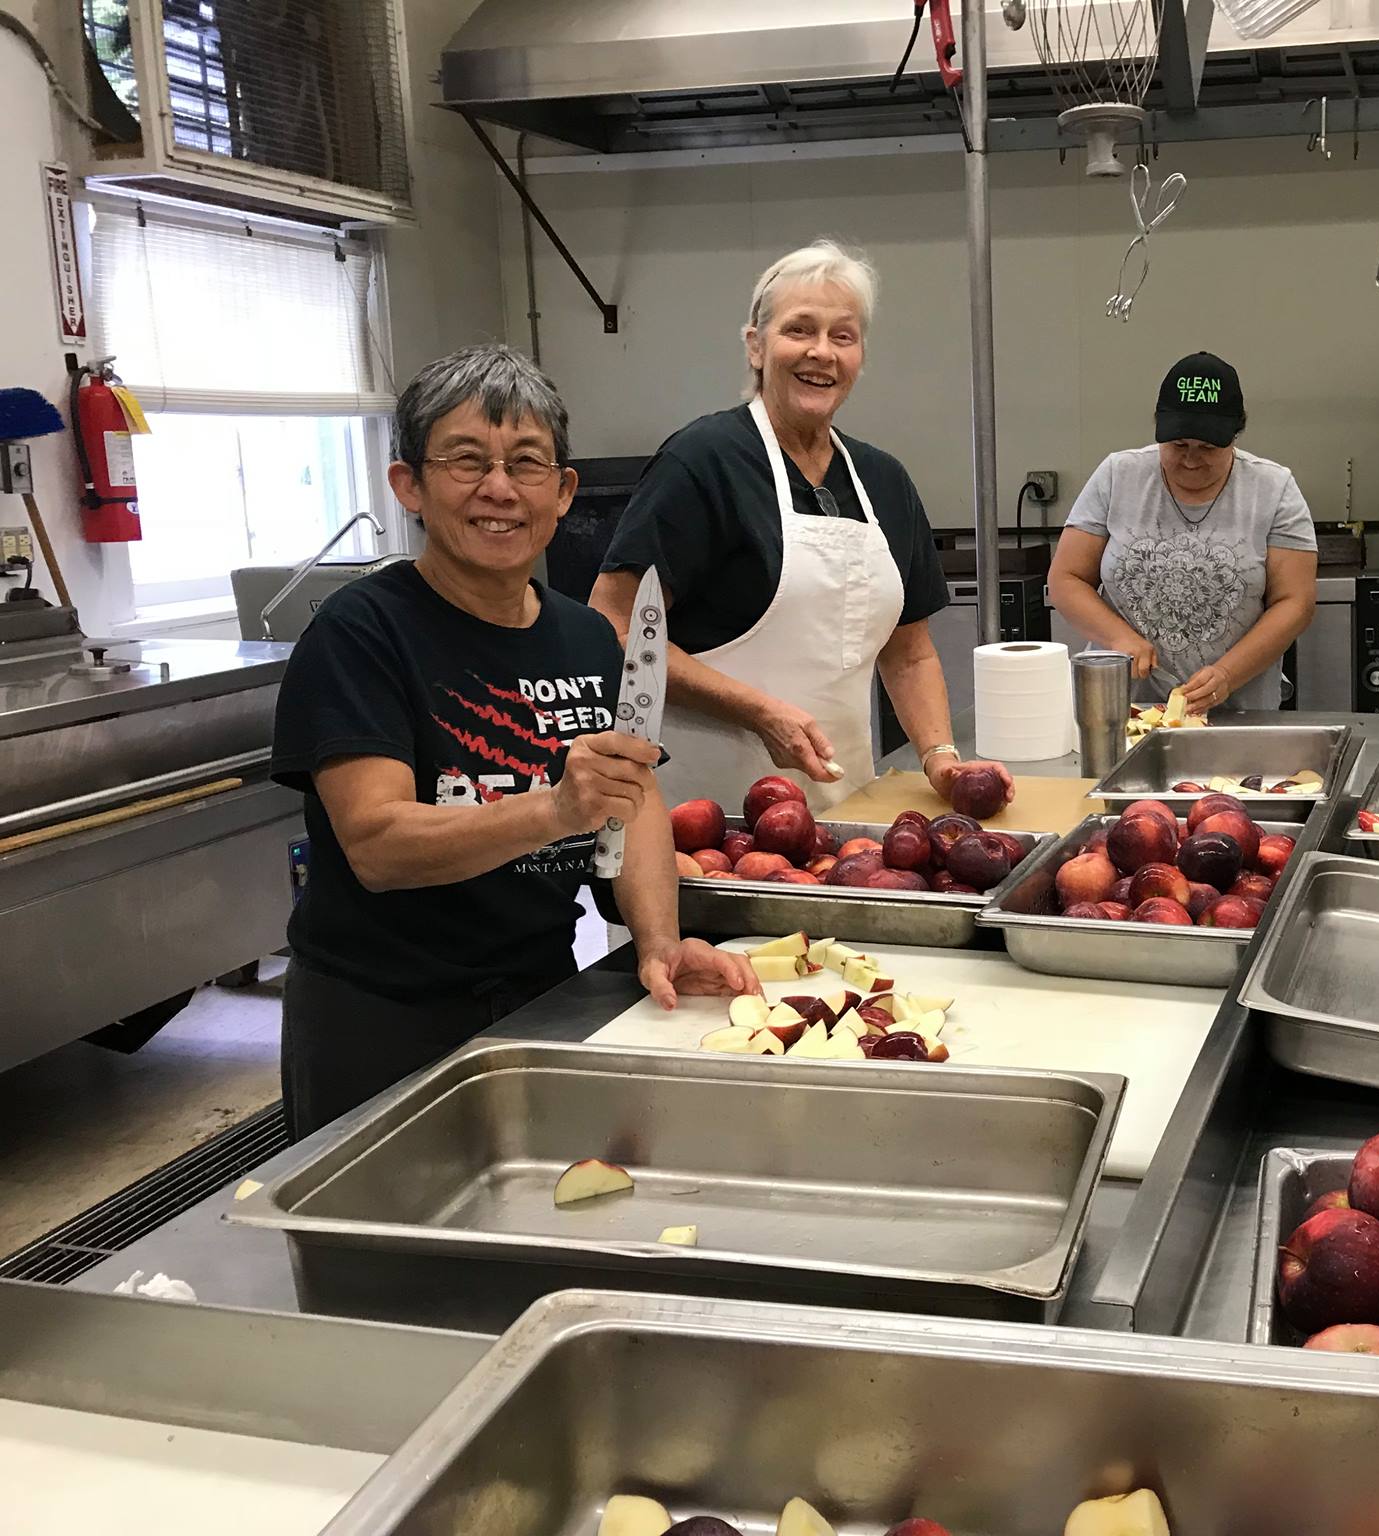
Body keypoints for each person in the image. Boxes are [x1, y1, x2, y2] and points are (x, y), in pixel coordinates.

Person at [270, 344, 756, 1138]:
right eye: (465, 461)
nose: (499, 489)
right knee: (387, 1257)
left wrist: (660, 943)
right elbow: (378, 844)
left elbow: (632, 805)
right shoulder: (359, 634)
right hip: (383, 1019)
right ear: (409, 487)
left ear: (563, 492)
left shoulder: (588, 639)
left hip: (540, 995)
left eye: (526, 463)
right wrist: (556, 807)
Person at [592, 240, 1013, 814]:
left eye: (843, 336)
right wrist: (758, 710)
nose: (822, 353)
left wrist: (940, 756)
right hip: (704, 812)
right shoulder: (703, 463)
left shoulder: (883, 479)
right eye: (799, 330)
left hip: (841, 805)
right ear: (756, 345)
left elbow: (909, 652)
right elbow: (615, 627)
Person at [1047, 352, 1317, 714]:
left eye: (1207, 448)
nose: (1190, 460)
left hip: (1237, 711)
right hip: (1122, 708)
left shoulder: (1273, 488)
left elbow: (1295, 602)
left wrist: (1226, 673)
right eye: (1178, 446)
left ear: (1235, 435)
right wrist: (1119, 637)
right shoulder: (1118, 475)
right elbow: (1066, 578)